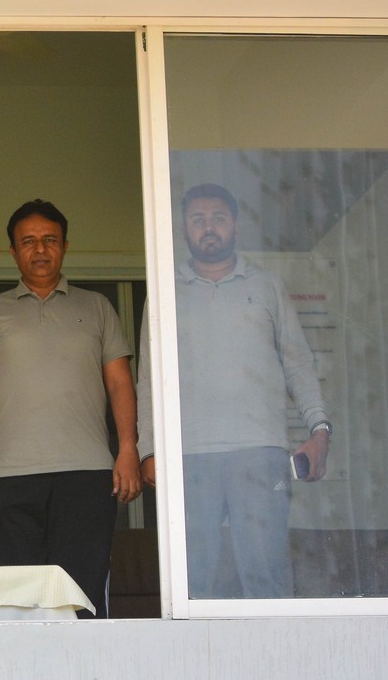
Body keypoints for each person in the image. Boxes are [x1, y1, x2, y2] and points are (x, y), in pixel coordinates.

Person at [137, 183, 330, 599]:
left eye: (218, 218)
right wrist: (149, 450)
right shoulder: (166, 293)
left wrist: (319, 429)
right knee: (192, 586)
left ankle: (273, 645)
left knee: (266, 578)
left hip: (260, 452)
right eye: (198, 219)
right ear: (183, 229)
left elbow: (297, 363)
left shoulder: (267, 286)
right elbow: (149, 378)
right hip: (188, 456)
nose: (209, 227)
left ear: (236, 225)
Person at [0, 198, 140, 618]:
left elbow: (119, 383)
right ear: (13, 251)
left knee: (82, 597)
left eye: (50, 240)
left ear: (65, 246)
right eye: (29, 241)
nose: (40, 249)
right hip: (8, 476)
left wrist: (128, 448)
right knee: (19, 600)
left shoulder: (97, 307)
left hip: (87, 472)